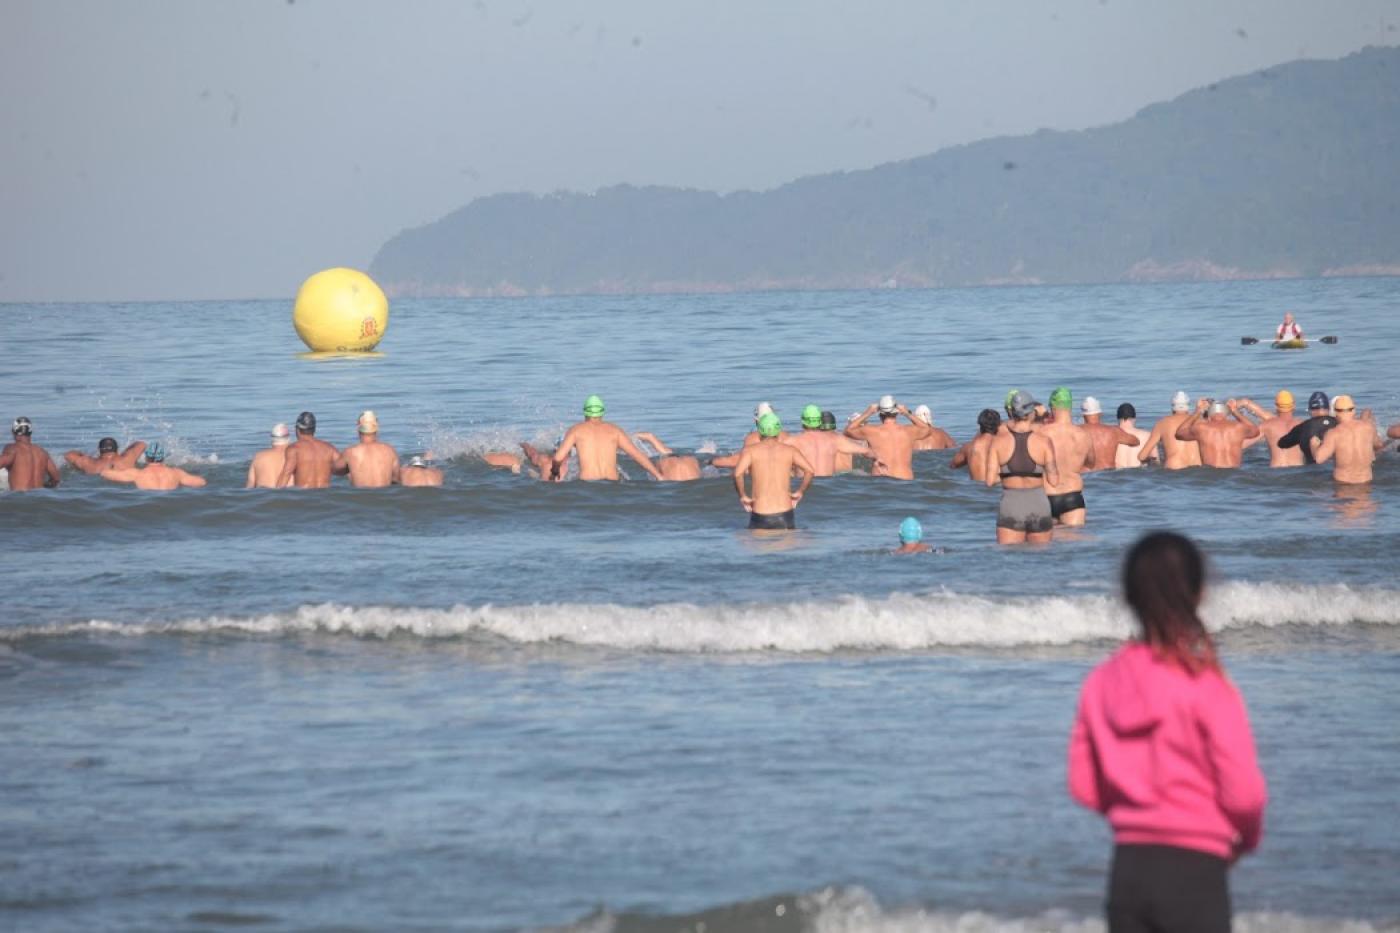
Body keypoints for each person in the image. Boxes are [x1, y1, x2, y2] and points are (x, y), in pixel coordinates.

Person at [1069, 531, 1267, 933]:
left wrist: (1136, 807)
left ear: (1128, 596)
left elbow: (1084, 786)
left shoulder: (1103, 679)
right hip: (1196, 871)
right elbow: (1243, 793)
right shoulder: (1205, 681)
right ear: (1197, 593)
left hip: (1129, 872)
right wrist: (1246, 839)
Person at [988, 391, 1059, 545]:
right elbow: (1054, 480)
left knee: (1009, 561)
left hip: (1011, 504)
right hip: (1038, 504)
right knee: (1041, 561)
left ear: (1012, 412)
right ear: (1031, 412)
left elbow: (990, 480)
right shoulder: (1044, 442)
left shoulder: (998, 442)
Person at [552, 395, 664, 482]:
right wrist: (658, 475)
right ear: (602, 412)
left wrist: (555, 472)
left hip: (586, 485)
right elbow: (637, 455)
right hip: (612, 485)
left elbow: (557, 458)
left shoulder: (576, 430)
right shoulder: (615, 430)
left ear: (585, 412)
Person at [733, 412, 814, 529]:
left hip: (760, 513)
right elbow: (810, 471)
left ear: (759, 431)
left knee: (755, 545)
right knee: (788, 546)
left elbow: (737, 474)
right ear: (778, 430)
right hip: (785, 513)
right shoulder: (790, 450)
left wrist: (742, 495)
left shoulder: (750, 451)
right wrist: (800, 491)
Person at [844, 395, 935, 480]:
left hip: (881, 482)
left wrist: (868, 412)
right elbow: (928, 430)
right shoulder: (908, 431)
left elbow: (848, 430)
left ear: (880, 415)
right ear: (896, 414)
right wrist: (907, 413)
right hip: (906, 482)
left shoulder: (871, 431)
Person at [1040, 387, 1094, 525]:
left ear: (1052, 407)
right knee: (1075, 542)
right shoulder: (1083, 435)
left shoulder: (1041, 433)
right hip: (1073, 496)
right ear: (1070, 406)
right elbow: (1091, 463)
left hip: (1046, 495)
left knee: (1048, 545)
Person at [1313, 396, 1384, 484]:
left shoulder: (1333, 433)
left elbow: (1319, 459)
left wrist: (1314, 444)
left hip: (1342, 484)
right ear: (1354, 410)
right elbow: (1379, 444)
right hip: (1366, 482)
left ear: (1335, 413)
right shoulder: (1368, 428)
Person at [789, 404, 872, 478]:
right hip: (847, 476)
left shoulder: (796, 441)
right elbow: (867, 452)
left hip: (828, 478)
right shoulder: (842, 440)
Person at [1174, 399, 1260, 469]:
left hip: (1211, 474)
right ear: (1226, 414)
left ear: (1209, 416)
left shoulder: (1201, 428)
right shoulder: (1238, 428)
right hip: (1234, 473)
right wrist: (1235, 412)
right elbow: (1256, 431)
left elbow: (1179, 433)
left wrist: (1197, 412)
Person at [332, 411, 400, 488]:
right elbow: (396, 479)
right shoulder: (390, 451)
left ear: (358, 430)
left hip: (359, 496)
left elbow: (335, 471)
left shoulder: (350, 452)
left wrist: (349, 470)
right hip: (386, 496)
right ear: (377, 430)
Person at [101, 442, 206, 490]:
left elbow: (105, 474)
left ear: (146, 458)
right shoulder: (176, 473)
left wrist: (111, 465)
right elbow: (201, 482)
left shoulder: (136, 473)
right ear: (163, 458)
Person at [1137, 391, 1203, 469]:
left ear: (1172, 407)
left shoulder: (1162, 423)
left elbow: (1142, 456)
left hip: (1173, 468)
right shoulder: (1200, 423)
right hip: (1196, 468)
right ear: (1188, 406)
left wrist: (1154, 461)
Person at [1240, 392, 1304, 468]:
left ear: (1276, 406)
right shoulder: (1304, 425)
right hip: (1297, 470)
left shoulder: (1267, 425)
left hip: (1275, 472)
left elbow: (1241, 445)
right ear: (1293, 405)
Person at [278, 411, 340, 489]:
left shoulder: (294, 449)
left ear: (297, 429)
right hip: (325, 497)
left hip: (304, 497)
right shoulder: (330, 448)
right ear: (314, 429)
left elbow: (286, 474)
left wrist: (275, 496)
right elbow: (345, 469)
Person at [0, 417, 62, 491]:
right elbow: (56, 479)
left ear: (13, 432)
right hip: (39, 498)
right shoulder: (42, 452)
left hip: (19, 498)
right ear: (30, 432)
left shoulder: (12, 449)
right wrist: (45, 486)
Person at [1080, 396, 1140, 473]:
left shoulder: (1075, 431)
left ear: (1083, 415)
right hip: (1108, 476)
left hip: (1085, 476)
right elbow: (1136, 442)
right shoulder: (1113, 431)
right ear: (1100, 414)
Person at [1277, 392, 1337, 465]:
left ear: (1311, 410)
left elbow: (1282, 443)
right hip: (1335, 468)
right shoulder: (1339, 424)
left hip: (1311, 470)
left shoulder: (1303, 427)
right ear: (1328, 409)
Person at [950, 408, 1002, 484]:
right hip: (998, 488)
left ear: (980, 425)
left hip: (976, 491)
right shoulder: (1005, 445)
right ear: (999, 425)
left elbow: (952, 466)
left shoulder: (969, 447)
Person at [633, 431, 702, 481]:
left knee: (668, 457)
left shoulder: (692, 459)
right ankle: (650, 437)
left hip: (690, 460)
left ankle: (650, 437)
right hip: (685, 464)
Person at [64, 437, 147, 475]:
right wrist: (125, 453)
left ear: (99, 450)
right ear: (117, 449)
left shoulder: (88, 462)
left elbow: (68, 455)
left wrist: (85, 456)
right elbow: (141, 444)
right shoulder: (128, 458)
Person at [246, 424, 292, 488]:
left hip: (263, 496)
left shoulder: (258, 457)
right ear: (288, 439)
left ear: (272, 439)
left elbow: (249, 487)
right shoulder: (295, 458)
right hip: (288, 496)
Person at [1113, 404, 1154, 469]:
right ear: (1134, 418)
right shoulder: (1147, 435)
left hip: (1117, 472)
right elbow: (1156, 460)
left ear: (1117, 418)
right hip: (1139, 474)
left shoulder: (1110, 435)